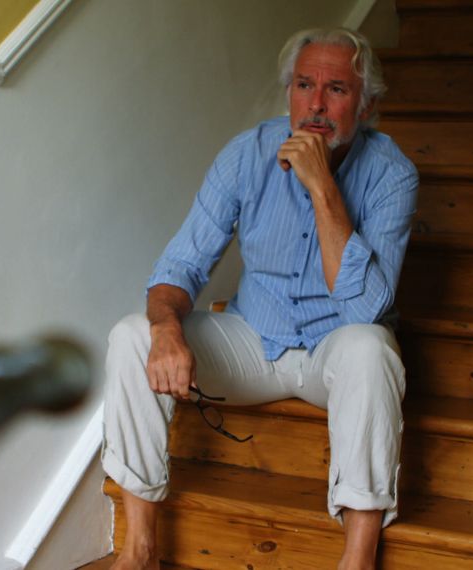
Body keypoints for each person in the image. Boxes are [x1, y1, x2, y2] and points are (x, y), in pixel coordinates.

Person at [102, 27, 418, 570]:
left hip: (333, 352)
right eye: (304, 85)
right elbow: (178, 267)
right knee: (133, 335)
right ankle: (140, 551)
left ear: (368, 107)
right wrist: (167, 331)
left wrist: (322, 186)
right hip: (253, 339)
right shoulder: (246, 154)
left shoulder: (393, 175)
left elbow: (366, 309)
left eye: (337, 89)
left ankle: (358, 559)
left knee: (372, 346)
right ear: (289, 92)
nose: (316, 105)